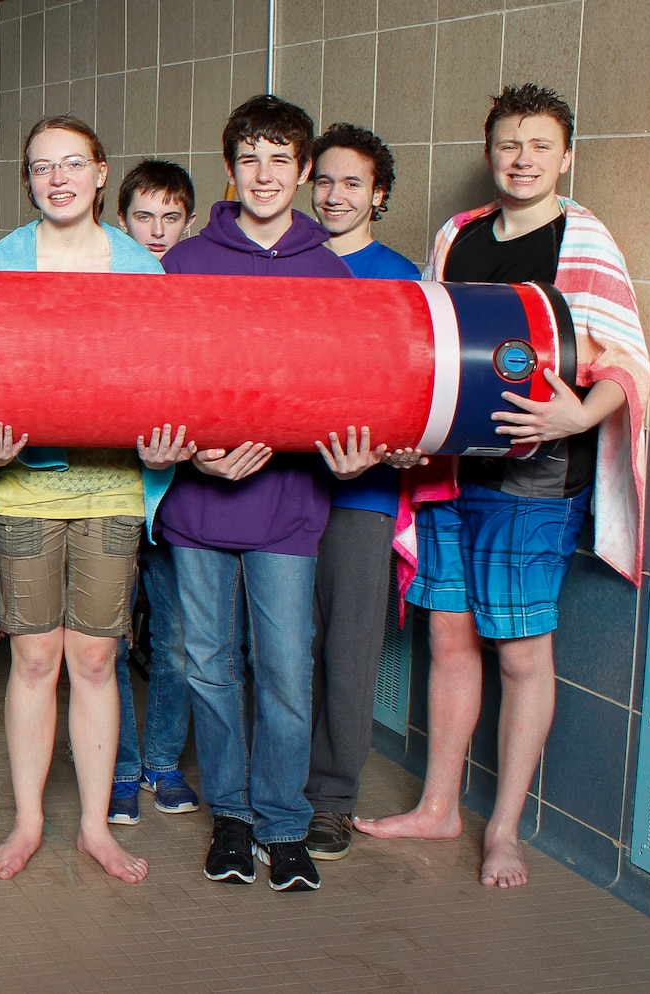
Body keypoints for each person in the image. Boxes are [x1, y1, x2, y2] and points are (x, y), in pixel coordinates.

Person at [358, 84, 650, 889]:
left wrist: (574, 417)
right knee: (448, 641)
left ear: (567, 157)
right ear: (491, 154)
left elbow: (628, 356)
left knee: (521, 652)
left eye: (540, 146)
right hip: (452, 469)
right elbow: (426, 338)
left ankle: (506, 832)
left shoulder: (583, 240)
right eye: (510, 145)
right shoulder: (459, 235)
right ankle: (439, 807)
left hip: (536, 478)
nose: (523, 160)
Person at [157, 95, 371, 893]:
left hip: (288, 509)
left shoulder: (332, 273)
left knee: (285, 668)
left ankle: (284, 824)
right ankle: (233, 819)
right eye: (250, 158)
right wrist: (196, 455)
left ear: (304, 171)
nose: (265, 174)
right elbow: (157, 380)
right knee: (211, 668)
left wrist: (354, 453)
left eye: (281, 159)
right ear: (230, 170)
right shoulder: (183, 264)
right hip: (198, 506)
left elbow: (351, 390)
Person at [0, 116, 192, 884]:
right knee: (34, 658)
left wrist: (164, 445)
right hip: (26, 489)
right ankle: (29, 820)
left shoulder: (141, 273)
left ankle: (96, 826)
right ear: (28, 180)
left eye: (71, 164)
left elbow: (163, 385)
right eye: (40, 167)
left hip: (111, 488)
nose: (56, 178)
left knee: (96, 659)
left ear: (102, 174)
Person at [298, 124, 420, 861]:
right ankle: (272, 788)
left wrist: (394, 451)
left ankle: (331, 802)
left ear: (379, 194)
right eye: (326, 181)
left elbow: (420, 394)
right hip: (281, 494)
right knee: (280, 653)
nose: (336, 195)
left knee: (346, 659)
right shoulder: (290, 266)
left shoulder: (403, 281)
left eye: (353, 183)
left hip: (364, 498)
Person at [110, 158, 202, 826]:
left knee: (176, 644)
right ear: (121, 221)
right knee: (104, 644)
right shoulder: (104, 287)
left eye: (172, 217)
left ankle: (162, 761)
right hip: (111, 495)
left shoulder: (199, 293)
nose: (158, 230)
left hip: (179, 506)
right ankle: (117, 767)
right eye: (144, 216)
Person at [115, 159, 196, 259]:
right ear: (123, 220)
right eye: (144, 218)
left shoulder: (200, 270)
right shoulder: (104, 270)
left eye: (170, 218)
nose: (158, 232)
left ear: (187, 223)